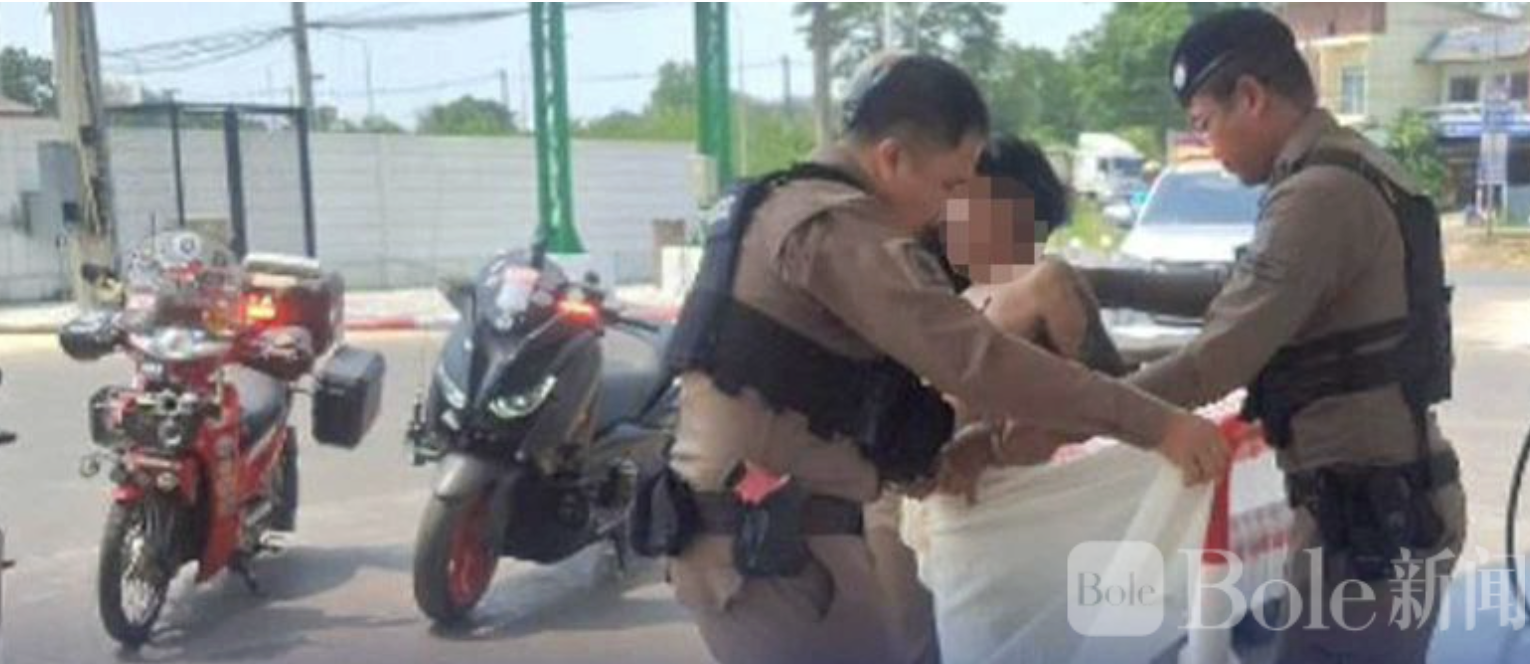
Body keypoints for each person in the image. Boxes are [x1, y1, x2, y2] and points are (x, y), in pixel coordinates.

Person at [655, 53, 1231, 664]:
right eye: (951, 187)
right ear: (892, 158)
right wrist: (1159, 424)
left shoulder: (795, 208)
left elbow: (850, 395)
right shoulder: (836, 229)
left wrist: (964, 453)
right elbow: (980, 362)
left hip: (788, 538)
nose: (945, 210)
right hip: (765, 547)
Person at [1128, 9, 1464, 663]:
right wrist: (1100, 285)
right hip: (1380, 505)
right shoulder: (1347, 168)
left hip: (1367, 525)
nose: (1207, 145)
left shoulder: (1318, 194)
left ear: (1251, 97)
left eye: (1204, 123)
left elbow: (1210, 365)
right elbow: (1242, 292)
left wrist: (1076, 412)